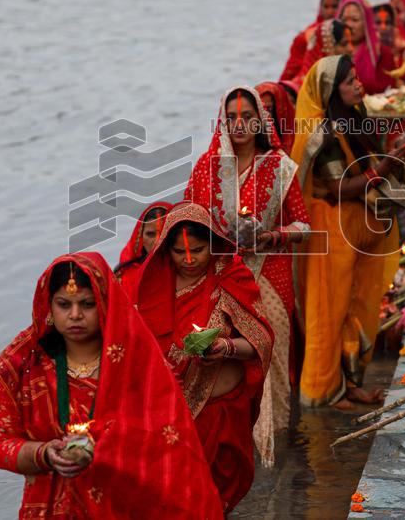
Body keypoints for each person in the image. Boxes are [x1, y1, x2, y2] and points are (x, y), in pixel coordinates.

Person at [0, 252, 222, 518]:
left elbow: (168, 450)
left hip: (125, 504)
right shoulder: (24, 366)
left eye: (87, 304)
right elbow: (0, 445)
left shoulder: (140, 365)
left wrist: (111, 452)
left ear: (105, 304)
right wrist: (45, 454)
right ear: (48, 307)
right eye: (64, 304)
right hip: (53, 508)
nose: (75, 315)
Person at [290, 55, 405, 409]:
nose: (360, 85)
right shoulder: (321, 135)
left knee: (358, 307)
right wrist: (391, 162)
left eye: (357, 78)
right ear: (331, 92)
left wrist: (397, 154)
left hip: (359, 228)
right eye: (349, 82)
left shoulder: (355, 121)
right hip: (330, 232)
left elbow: (368, 168)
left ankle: (351, 385)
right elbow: (338, 187)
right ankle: (323, 392)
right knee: (329, 312)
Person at [184, 86, 309, 467]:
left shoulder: (280, 166)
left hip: (269, 272)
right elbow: (188, 222)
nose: (239, 124)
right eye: (232, 117)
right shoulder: (208, 168)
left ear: (260, 121)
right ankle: (226, 441)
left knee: (269, 355)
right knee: (220, 355)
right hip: (220, 273)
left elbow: (304, 224)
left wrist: (273, 235)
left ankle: (276, 442)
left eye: (247, 116)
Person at [134, 202, 273, 513]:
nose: (188, 259)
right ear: (164, 250)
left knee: (216, 495)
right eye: (178, 252)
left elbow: (261, 340)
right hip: (171, 414)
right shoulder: (153, 285)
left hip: (223, 411)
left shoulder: (231, 277)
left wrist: (226, 348)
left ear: (213, 245)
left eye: (197, 250)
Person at [279, 0, 351, 83]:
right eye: (326, 7)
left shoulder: (356, 33)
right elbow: (290, 72)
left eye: (335, 6)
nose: (330, 12)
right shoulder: (307, 36)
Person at [339, 0, 399, 94]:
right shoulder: (331, 50)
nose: (349, 25)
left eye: (355, 20)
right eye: (344, 20)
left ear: (367, 22)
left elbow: (388, 88)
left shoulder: (381, 52)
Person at [113, 201, 172, 298]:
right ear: (140, 237)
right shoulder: (126, 276)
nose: (157, 241)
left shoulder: (188, 272)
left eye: (163, 234)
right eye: (150, 234)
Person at [255, 81, 298, 153]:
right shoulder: (248, 140)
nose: (265, 115)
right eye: (261, 109)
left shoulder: (299, 136)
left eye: (269, 109)